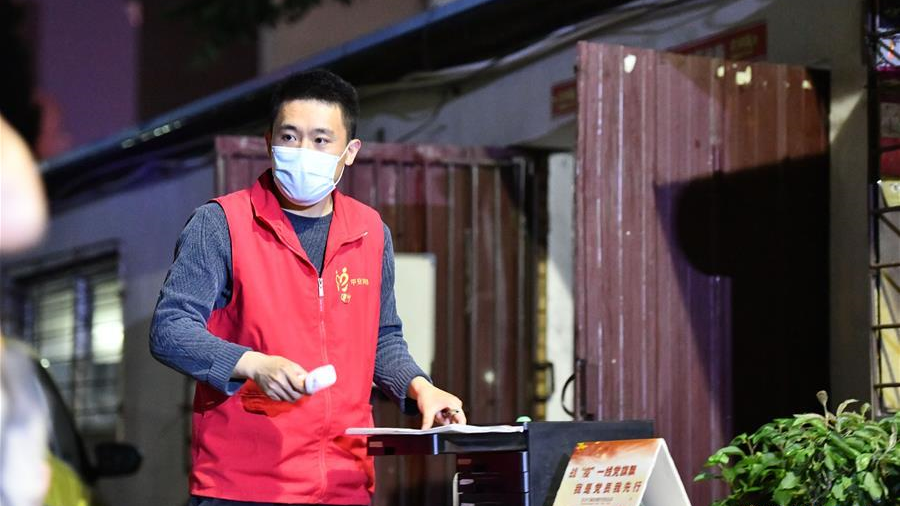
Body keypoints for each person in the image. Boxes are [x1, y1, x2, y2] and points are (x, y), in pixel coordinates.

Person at [150, 69, 466, 506]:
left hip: (344, 483)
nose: (302, 152)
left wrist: (420, 388)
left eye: (320, 140)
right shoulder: (221, 224)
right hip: (244, 487)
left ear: (350, 152)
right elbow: (169, 330)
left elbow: (381, 339)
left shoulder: (370, 231)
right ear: (269, 142)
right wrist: (253, 364)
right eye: (290, 137)